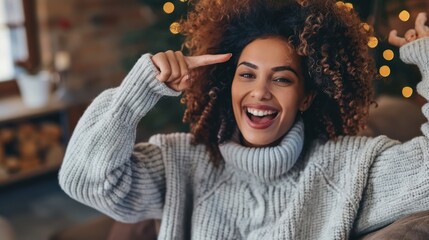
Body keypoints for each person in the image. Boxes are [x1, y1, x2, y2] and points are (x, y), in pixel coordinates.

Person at [58, 0, 429, 239]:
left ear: (307, 96)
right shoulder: (181, 162)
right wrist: (137, 92)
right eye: (247, 74)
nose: (260, 92)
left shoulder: (349, 167)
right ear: (229, 82)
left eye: (282, 78)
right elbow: (84, 182)